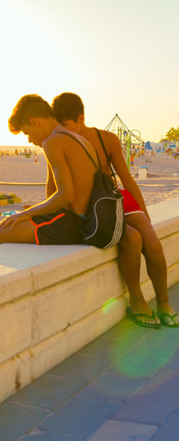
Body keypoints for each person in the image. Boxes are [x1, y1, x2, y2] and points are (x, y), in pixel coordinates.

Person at [51, 92, 179, 328]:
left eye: (69, 125)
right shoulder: (59, 143)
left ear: (82, 117)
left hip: (115, 196)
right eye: (62, 127)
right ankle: (137, 299)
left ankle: (163, 303)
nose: (67, 132)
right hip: (90, 207)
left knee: (152, 243)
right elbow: (53, 188)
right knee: (133, 240)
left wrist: (145, 213)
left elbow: (127, 180)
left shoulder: (106, 139)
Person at [0, 94, 101, 254]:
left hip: (69, 225)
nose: (29, 140)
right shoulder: (80, 140)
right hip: (86, 222)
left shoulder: (53, 142)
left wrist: (27, 213)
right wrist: (40, 209)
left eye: (27, 133)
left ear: (35, 122)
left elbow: (66, 195)